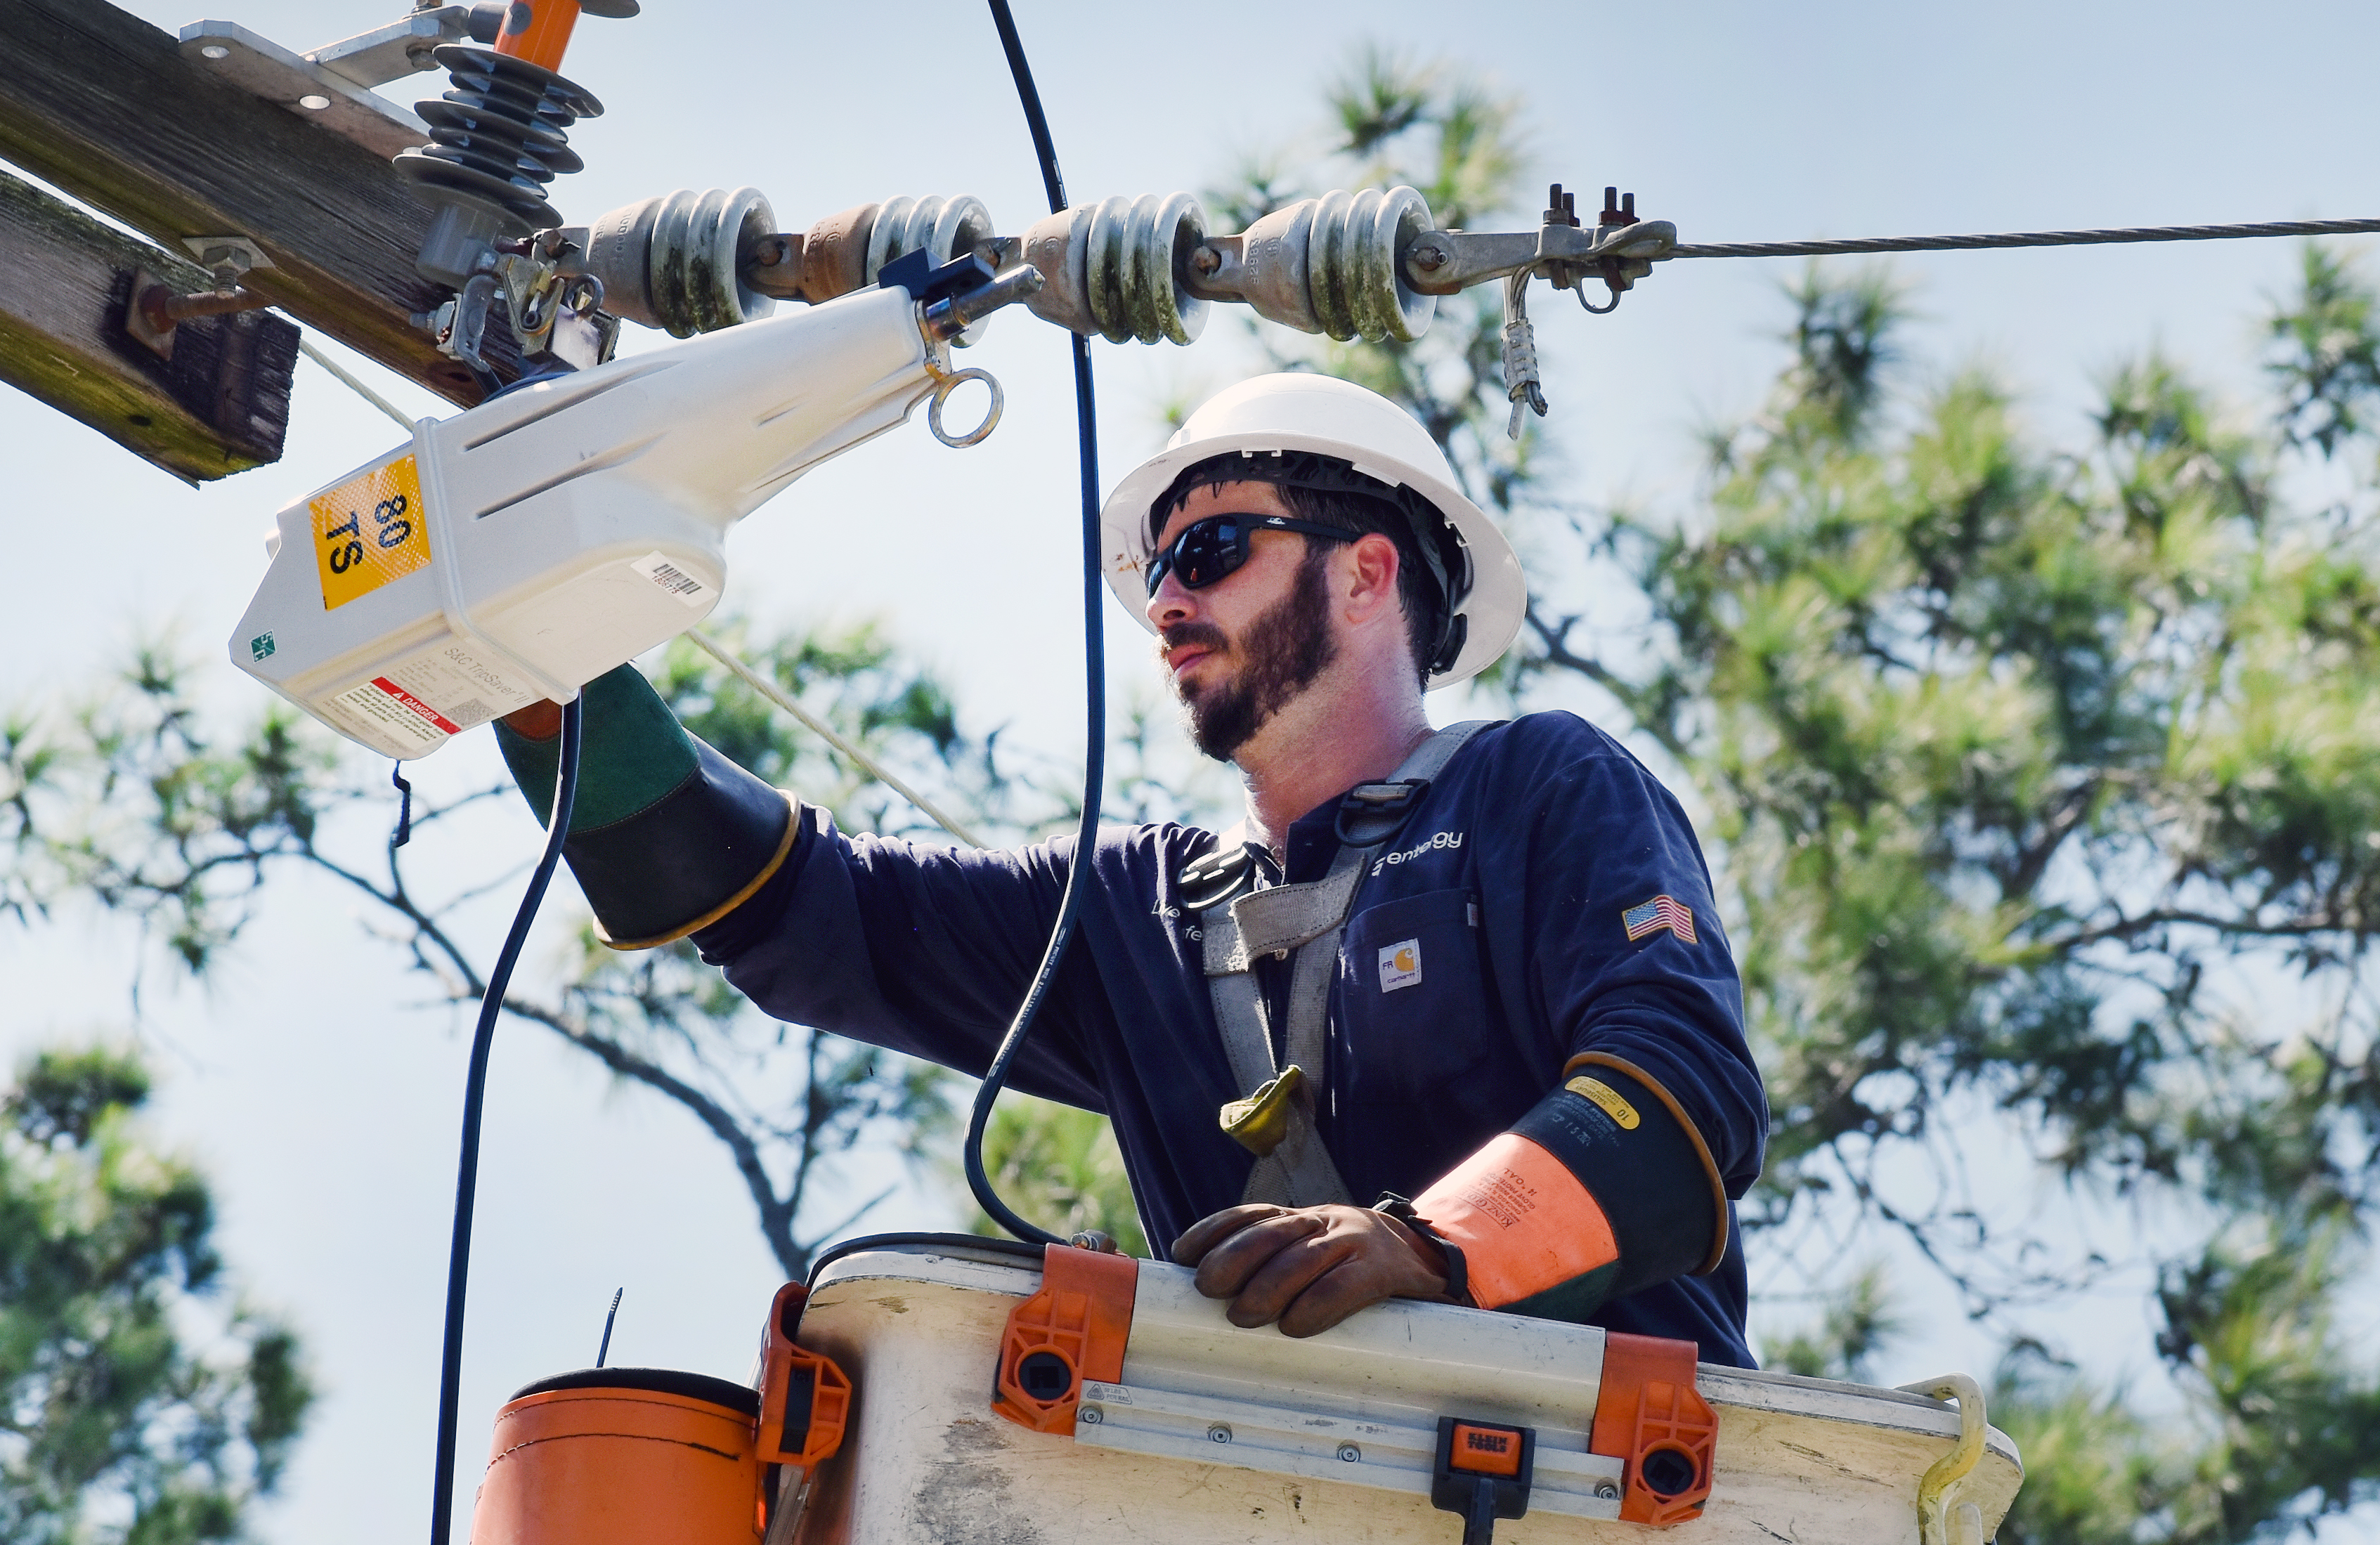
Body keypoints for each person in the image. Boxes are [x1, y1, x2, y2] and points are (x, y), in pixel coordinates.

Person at [488, 372, 1766, 1363]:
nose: (1162, 602)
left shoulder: (1537, 788)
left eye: (1209, 552)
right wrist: (541, 665)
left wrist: (1424, 1247)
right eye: (1154, 570)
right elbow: (792, 908)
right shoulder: (1135, 910)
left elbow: (1681, 1099)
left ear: (1368, 570)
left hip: (1624, 1489)